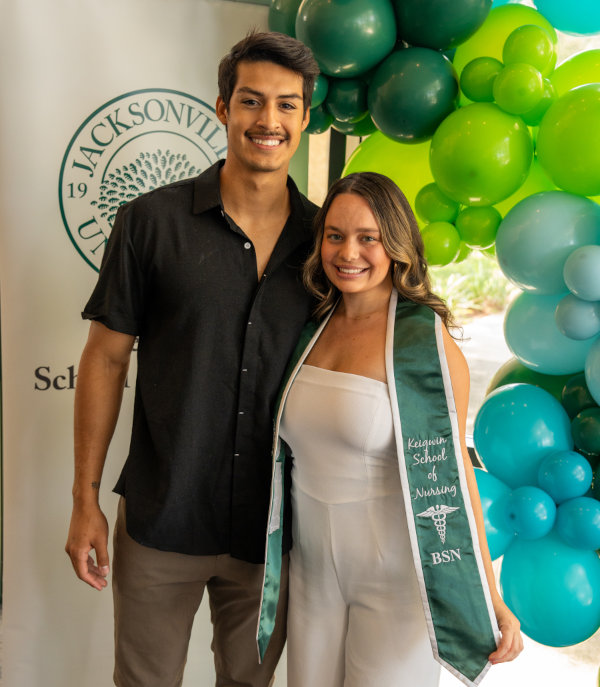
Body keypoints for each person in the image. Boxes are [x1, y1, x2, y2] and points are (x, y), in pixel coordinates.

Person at [65, 31, 319, 687]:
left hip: (272, 530)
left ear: (306, 117)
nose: (269, 120)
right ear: (222, 109)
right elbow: (105, 360)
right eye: (252, 102)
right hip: (161, 515)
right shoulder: (150, 222)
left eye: (287, 105)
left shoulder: (327, 244)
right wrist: (84, 499)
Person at [257, 172, 523, 687]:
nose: (348, 252)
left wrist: (489, 594)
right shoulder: (312, 326)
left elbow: (454, 475)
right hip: (311, 578)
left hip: (397, 583)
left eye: (367, 237)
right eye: (334, 235)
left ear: (396, 244)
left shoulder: (425, 343)